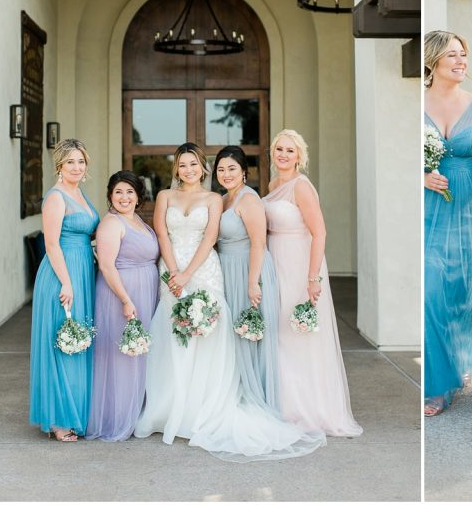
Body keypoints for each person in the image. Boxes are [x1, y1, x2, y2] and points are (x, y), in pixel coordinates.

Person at [134, 142, 324, 460]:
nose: (189, 170)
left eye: (195, 164)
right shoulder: (178, 197)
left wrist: (193, 273)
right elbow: (162, 233)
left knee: (210, 335)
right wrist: (173, 273)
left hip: (206, 268)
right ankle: (169, 407)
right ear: (176, 168)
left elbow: (213, 237)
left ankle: (201, 406)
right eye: (182, 164)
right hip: (173, 270)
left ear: (202, 168)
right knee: (172, 334)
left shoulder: (215, 200)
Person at [423, 30, 472, 417]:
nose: (461, 62)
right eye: (452, 55)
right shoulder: (414, 104)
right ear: (432, 61)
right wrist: (419, 175)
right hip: (429, 209)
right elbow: (389, 156)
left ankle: (458, 359)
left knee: (468, 291)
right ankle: (437, 385)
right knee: (433, 288)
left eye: (463, 55)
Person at [263, 130, 362, 436]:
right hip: (276, 261)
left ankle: (309, 409)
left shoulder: (301, 186)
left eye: (289, 151)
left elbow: (319, 232)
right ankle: (285, 404)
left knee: (298, 335)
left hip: (299, 262)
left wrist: (312, 277)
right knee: (280, 333)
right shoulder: (273, 184)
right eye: (279, 149)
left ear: (299, 156)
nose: (283, 154)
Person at [29, 139, 100, 441]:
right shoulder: (56, 197)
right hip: (62, 274)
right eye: (70, 161)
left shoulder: (79, 193)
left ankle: (76, 412)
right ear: (59, 165)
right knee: (64, 341)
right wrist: (67, 282)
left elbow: (88, 233)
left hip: (83, 267)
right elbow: (51, 243)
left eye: (81, 161)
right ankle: (59, 420)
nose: (77, 167)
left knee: (79, 340)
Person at [86, 171, 159, 441]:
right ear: (110, 196)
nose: (124, 197)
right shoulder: (111, 223)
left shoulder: (137, 220)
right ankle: (116, 416)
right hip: (120, 294)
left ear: (139, 196)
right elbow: (106, 266)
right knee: (121, 356)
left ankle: (137, 410)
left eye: (130, 192)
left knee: (139, 353)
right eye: (118, 192)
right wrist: (126, 300)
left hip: (145, 290)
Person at [216, 145, 280, 408]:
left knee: (248, 333)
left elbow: (258, 243)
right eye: (221, 169)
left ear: (244, 172)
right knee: (232, 335)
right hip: (227, 269)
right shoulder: (222, 199)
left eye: (232, 168)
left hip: (247, 268)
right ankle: (236, 391)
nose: (226, 174)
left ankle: (256, 396)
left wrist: (253, 282)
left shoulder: (249, 199)